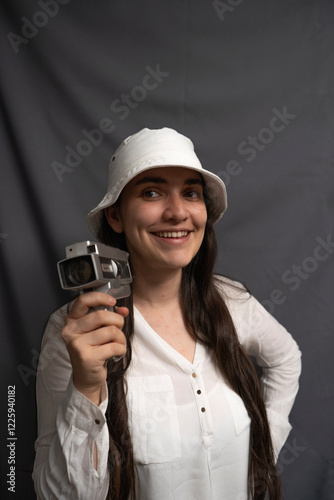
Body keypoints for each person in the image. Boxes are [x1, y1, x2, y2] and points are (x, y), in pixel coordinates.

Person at [33, 127, 301, 500]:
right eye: (152, 192)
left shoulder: (231, 300)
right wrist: (85, 388)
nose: (177, 213)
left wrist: (261, 453)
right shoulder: (75, 332)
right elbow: (58, 496)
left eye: (190, 193)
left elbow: (287, 358)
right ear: (115, 217)